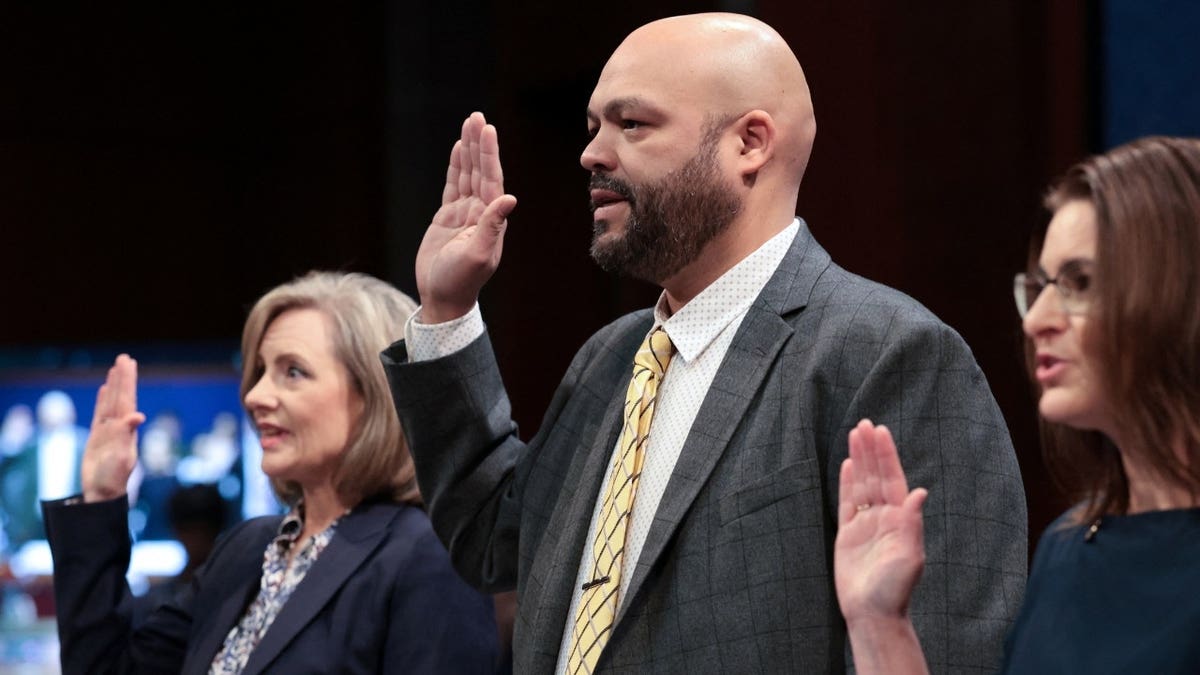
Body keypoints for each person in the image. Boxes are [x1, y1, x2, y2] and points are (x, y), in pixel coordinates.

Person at [383, 12, 1027, 674]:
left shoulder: (887, 352)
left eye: (632, 124)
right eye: (593, 126)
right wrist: (447, 309)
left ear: (749, 142)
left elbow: (946, 643)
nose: (592, 154)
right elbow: (494, 540)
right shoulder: (607, 358)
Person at [834, 136, 1200, 673]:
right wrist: (879, 623)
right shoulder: (1070, 548)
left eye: (1080, 283)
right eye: (1040, 286)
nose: (1037, 321)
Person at [43, 272, 499, 674]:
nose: (256, 395)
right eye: (259, 371)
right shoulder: (247, 549)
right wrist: (103, 495)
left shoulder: (428, 556)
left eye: (293, 372)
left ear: (375, 394)